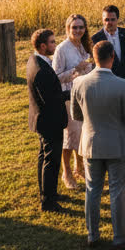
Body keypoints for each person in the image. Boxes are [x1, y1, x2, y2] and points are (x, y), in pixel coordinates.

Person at [71, 40, 125, 250]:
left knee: (92, 190)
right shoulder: (122, 85)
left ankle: (93, 235)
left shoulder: (79, 83)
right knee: (117, 191)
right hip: (117, 145)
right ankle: (119, 238)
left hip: (91, 144)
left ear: (94, 58)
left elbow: (76, 115)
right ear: (112, 57)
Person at [26, 28, 69, 213]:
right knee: (51, 161)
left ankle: (46, 192)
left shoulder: (35, 60)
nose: (55, 44)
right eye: (52, 42)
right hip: (49, 121)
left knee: (44, 156)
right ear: (43, 46)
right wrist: (70, 93)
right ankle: (48, 201)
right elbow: (51, 100)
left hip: (40, 118)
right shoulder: (41, 70)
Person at [51, 13, 93, 190]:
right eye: (74, 27)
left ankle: (79, 166)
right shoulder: (62, 49)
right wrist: (76, 69)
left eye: (81, 27)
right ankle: (66, 171)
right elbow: (55, 77)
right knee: (71, 134)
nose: (78, 30)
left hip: (85, 95)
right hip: (68, 97)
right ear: (68, 28)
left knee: (83, 132)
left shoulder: (85, 45)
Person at [91, 5, 125, 94]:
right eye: (106, 20)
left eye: (112, 19)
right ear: (102, 20)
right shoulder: (95, 39)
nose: (109, 22)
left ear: (117, 19)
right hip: (107, 86)